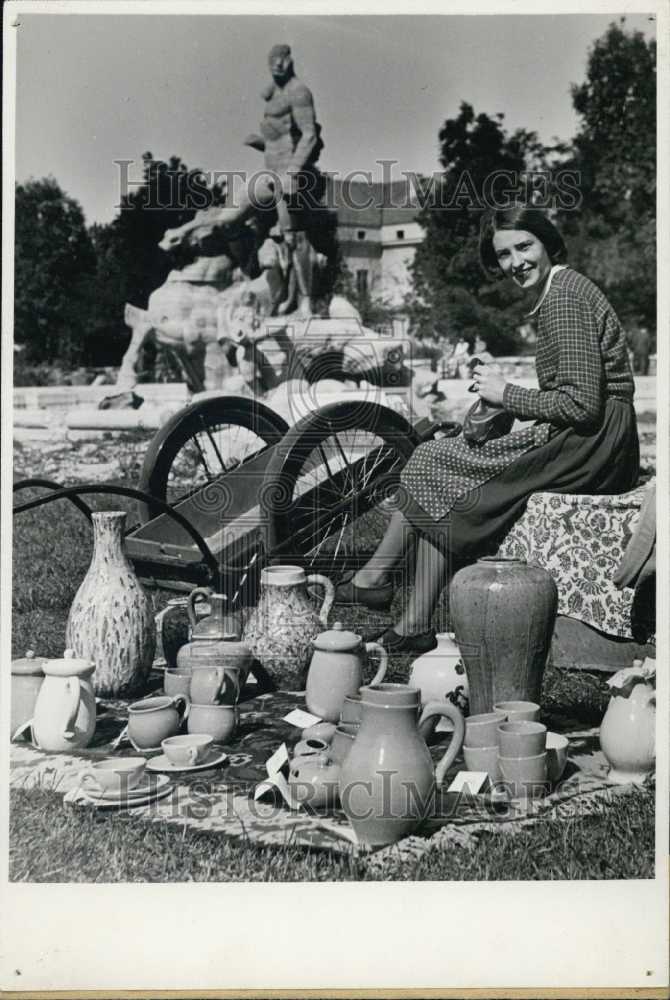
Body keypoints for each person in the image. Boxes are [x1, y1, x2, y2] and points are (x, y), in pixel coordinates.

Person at [336, 205, 639, 653]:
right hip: (586, 436)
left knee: (438, 463)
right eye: (503, 255)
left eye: (524, 246)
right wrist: (505, 399)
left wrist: (506, 393)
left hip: (592, 445)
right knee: (436, 457)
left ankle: (391, 597)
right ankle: (389, 595)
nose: (515, 262)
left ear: (546, 241)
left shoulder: (564, 298)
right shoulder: (561, 289)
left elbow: (583, 404)